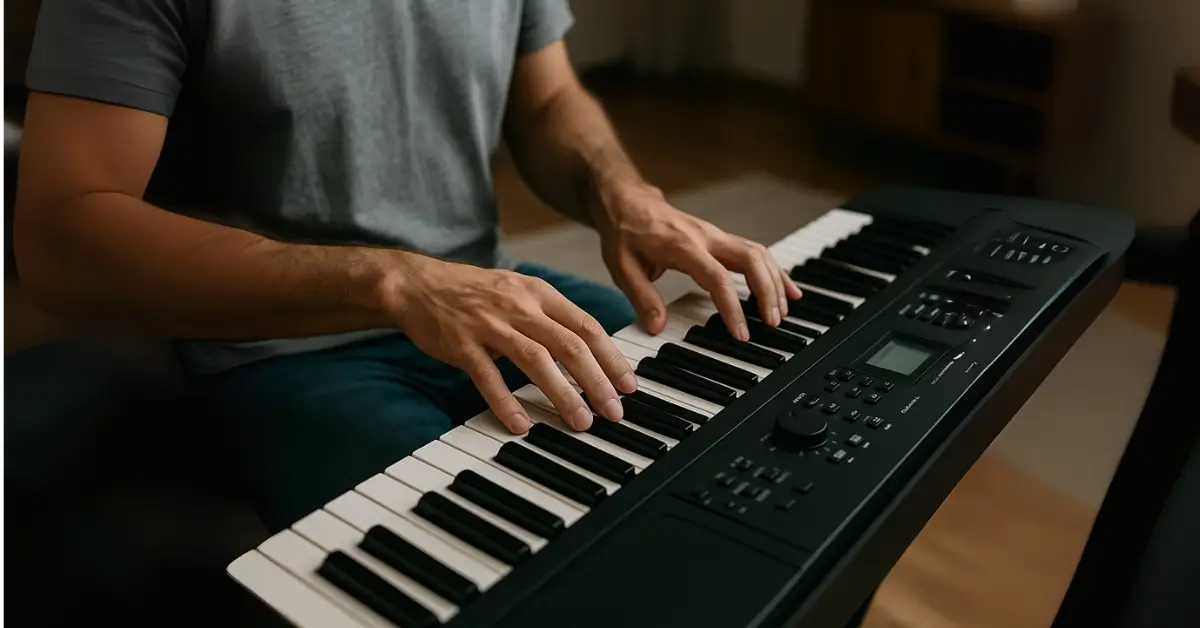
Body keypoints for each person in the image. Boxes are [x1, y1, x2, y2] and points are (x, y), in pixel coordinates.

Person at [14, 0, 801, 531]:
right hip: (284, 350)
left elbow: (549, 97)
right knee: (516, 554)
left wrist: (623, 193)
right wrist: (390, 280)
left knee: (752, 456)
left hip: (489, 292)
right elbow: (62, 235)